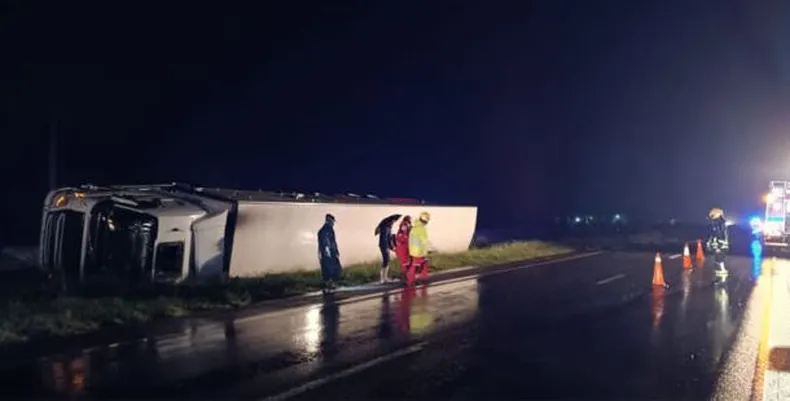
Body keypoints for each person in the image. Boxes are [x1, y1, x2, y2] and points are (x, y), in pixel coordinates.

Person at [407, 211, 433, 285]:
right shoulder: (421, 228)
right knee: (415, 265)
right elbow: (424, 241)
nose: (428, 221)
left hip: (413, 250)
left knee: (424, 263)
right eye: (428, 220)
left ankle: (423, 278)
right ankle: (410, 281)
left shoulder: (414, 227)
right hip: (419, 251)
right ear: (425, 220)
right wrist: (429, 250)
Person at [318, 214, 342, 292]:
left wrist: (336, 250)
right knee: (330, 268)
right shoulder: (325, 230)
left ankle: (330, 284)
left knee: (332, 268)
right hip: (328, 252)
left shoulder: (328, 229)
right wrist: (328, 251)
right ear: (329, 221)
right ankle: (330, 284)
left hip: (330, 252)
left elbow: (333, 242)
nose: (333, 223)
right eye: (332, 221)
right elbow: (326, 242)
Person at [706, 207, 730, 276]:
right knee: (719, 257)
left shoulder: (718, 223)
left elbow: (718, 234)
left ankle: (723, 270)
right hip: (721, 244)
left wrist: (718, 246)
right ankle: (721, 269)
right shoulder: (721, 222)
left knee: (719, 257)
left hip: (720, 244)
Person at [376, 217, 397, 283]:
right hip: (383, 246)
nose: (393, 223)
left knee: (387, 261)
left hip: (386, 246)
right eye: (392, 221)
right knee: (386, 261)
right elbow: (384, 239)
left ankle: (385, 278)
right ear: (389, 221)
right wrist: (387, 248)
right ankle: (382, 279)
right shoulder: (384, 228)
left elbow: (389, 239)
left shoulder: (389, 228)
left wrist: (392, 247)